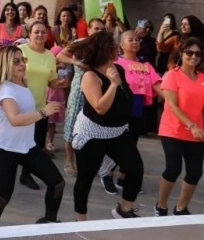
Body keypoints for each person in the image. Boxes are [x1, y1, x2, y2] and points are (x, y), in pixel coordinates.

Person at [0, 46, 64, 227]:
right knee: (1, 199)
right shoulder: (5, 88)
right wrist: (43, 112)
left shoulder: (22, 83)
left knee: (57, 183)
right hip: (5, 150)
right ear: (6, 64)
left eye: (22, 60)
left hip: (27, 147)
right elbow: (15, 119)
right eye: (16, 61)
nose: (22, 64)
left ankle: (49, 222)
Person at [69, 31, 143, 220]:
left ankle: (124, 209)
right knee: (86, 177)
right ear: (104, 50)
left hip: (117, 131)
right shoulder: (90, 76)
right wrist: (112, 84)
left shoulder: (119, 68)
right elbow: (100, 108)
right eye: (113, 47)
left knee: (135, 168)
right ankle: (80, 221)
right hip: (93, 133)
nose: (116, 49)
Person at [154, 38, 204, 216]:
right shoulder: (172, 75)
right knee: (173, 169)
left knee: (195, 173)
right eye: (189, 52)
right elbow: (173, 105)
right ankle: (161, 205)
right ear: (181, 54)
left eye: (197, 53)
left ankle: (181, 208)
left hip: (197, 133)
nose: (193, 56)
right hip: (173, 130)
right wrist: (191, 125)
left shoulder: (202, 78)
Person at [58, 18, 106, 178]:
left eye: (102, 29)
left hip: (97, 91)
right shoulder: (80, 43)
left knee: (92, 127)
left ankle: (87, 161)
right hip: (78, 90)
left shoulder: (105, 48)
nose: (99, 32)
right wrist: (76, 62)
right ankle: (69, 160)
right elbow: (61, 56)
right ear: (90, 30)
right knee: (71, 124)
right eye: (96, 29)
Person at [17, 21, 61, 190]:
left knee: (35, 144)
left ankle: (26, 175)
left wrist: (61, 82)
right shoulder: (21, 51)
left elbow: (52, 82)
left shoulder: (50, 56)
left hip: (40, 107)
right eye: (36, 32)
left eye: (43, 32)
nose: (40, 35)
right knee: (17, 142)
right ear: (30, 34)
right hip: (20, 106)